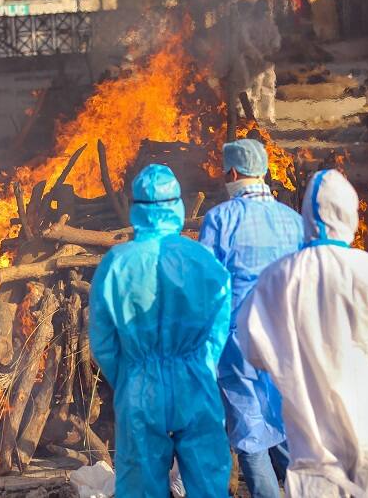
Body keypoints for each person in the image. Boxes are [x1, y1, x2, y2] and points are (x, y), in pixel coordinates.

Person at [236, 169, 368, 498]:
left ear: (306, 217)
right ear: (351, 215)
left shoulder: (279, 277)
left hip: (315, 451)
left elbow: (254, 349)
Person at [89, 164, 232, 497]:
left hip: (140, 386)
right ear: (178, 205)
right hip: (195, 382)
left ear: (135, 207)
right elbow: (219, 325)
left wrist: (129, 376)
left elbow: (103, 340)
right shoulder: (203, 259)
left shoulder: (116, 262)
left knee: (140, 485)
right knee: (207, 482)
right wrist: (202, 365)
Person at [200, 139, 303, 498]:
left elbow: (207, 285)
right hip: (285, 339)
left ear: (232, 173)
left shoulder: (220, 219)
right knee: (285, 422)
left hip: (237, 342)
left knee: (249, 431)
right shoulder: (294, 221)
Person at [248, 0, 281, 125]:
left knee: (268, 88)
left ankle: (267, 116)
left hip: (267, 61)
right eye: (263, 10)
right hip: (255, 61)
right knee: (254, 90)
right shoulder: (250, 25)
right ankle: (252, 117)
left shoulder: (270, 25)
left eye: (266, 10)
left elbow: (276, 40)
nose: (265, 12)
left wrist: (273, 50)